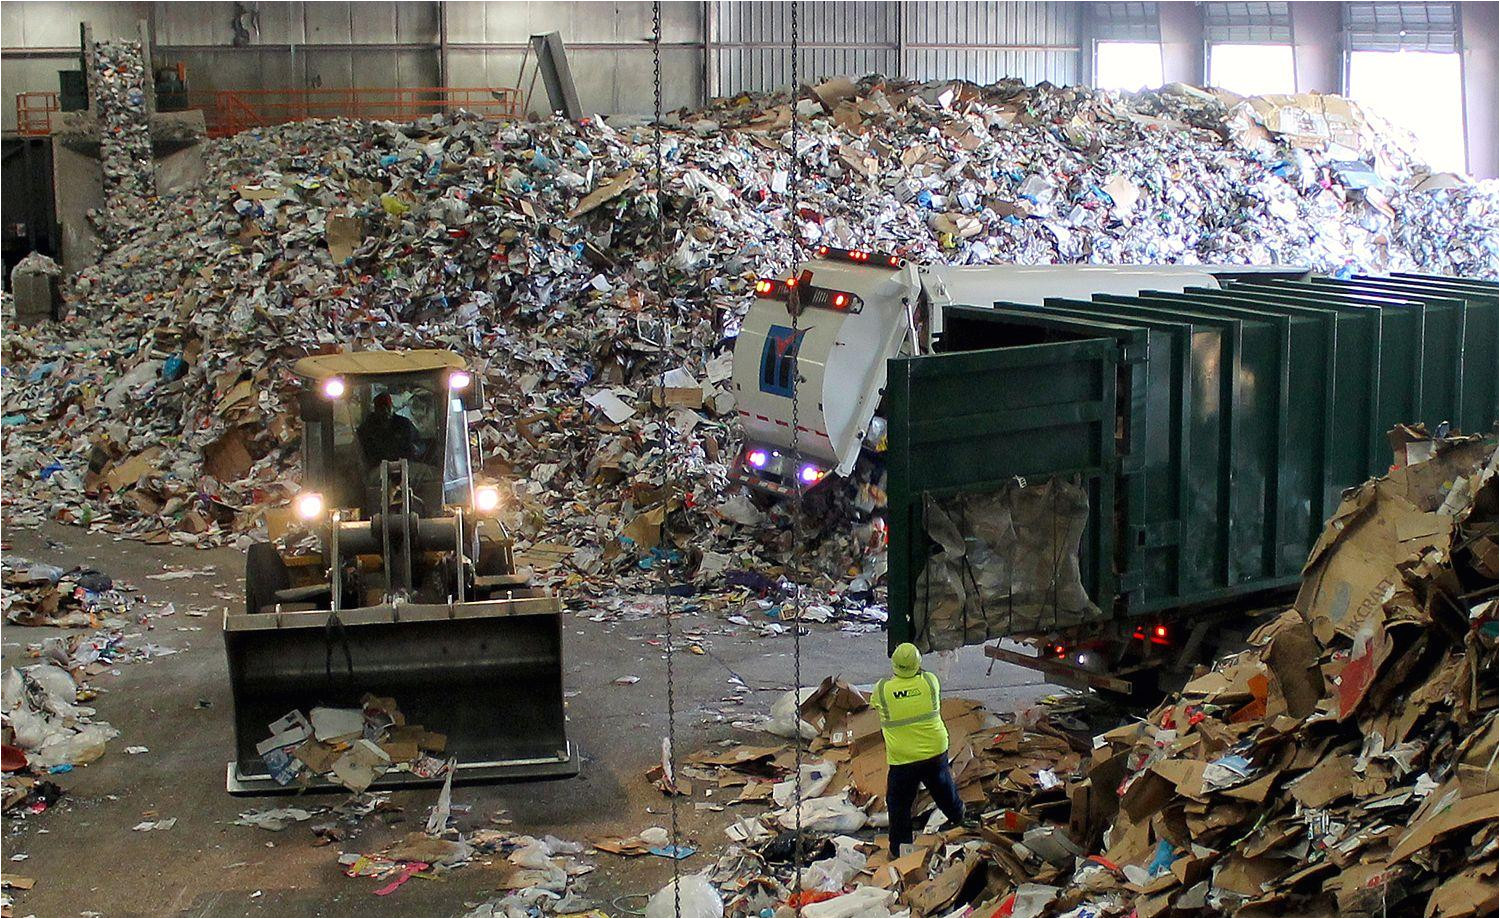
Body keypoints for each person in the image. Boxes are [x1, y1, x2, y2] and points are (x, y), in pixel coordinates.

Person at [873, 642, 970, 856]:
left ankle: (900, 850)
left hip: (903, 758)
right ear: (918, 663)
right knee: (942, 787)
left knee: (899, 804)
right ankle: (959, 815)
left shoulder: (881, 690)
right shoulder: (930, 682)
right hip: (934, 751)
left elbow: (876, 705)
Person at [358, 391, 422, 464]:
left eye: (387, 407)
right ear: (375, 410)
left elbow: (419, 444)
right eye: (381, 408)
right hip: (376, 470)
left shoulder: (404, 424)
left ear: (391, 406)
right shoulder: (368, 428)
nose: (385, 411)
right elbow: (359, 449)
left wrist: (415, 450)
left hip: (405, 468)